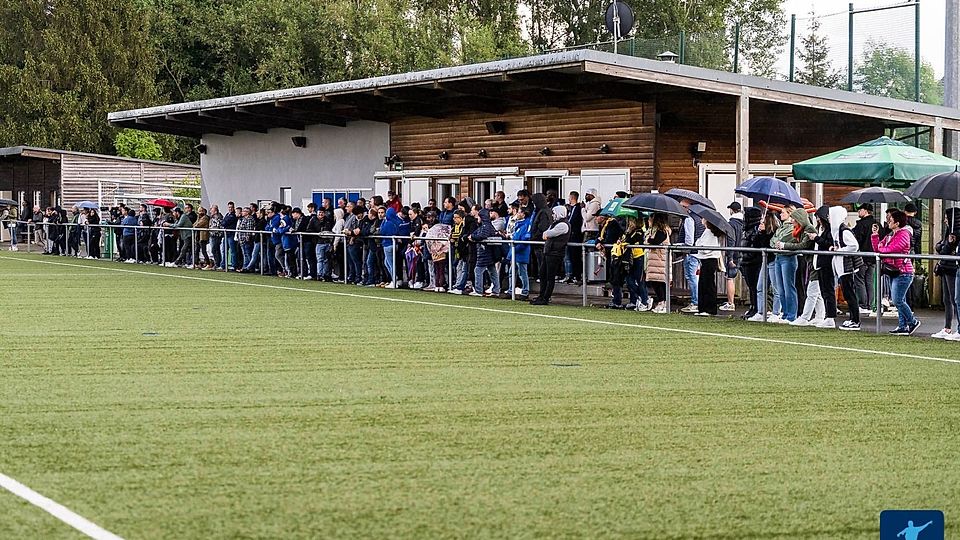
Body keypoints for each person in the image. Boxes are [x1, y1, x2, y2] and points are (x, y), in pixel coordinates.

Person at [872, 209, 920, 335]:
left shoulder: (903, 234)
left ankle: (912, 321)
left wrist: (882, 248)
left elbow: (893, 248)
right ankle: (902, 326)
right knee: (900, 300)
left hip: (903, 272)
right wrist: (875, 236)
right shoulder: (890, 235)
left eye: (890, 220)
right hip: (895, 271)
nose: (888, 221)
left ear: (897, 223)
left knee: (897, 300)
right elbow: (878, 248)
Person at [769, 204, 814, 322]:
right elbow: (773, 240)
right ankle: (785, 313)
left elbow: (786, 240)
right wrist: (778, 243)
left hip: (788, 258)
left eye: (783, 212)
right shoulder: (782, 227)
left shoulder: (794, 228)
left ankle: (791, 315)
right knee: (780, 288)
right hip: (778, 257)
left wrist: (781, 244)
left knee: (788, 287)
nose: (780, 214)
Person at [530, 205, 570, 305]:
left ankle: (546, 298)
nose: (552, 215)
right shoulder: (555, 224)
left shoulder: (563, 225)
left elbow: (547, 234)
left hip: (555, 253)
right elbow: (546, 234)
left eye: (554, 213)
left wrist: (547, 234)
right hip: (548, 252)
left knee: (549, 276)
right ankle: (541, 295)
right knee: (543, 274)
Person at [932, 209, 959, 339]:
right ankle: (947, 327)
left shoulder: (955, 233)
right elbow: (941, 248)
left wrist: (946, 245)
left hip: (952, 267)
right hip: (946, 266)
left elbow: (944, 249)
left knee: (954, 299)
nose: (944, 221)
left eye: (946, 218)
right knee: (947, 299)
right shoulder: (949, 231)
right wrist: (944, 245)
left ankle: (957, 328)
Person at [693, 217, 725, 316]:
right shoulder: (708, 232)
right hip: (707, 260)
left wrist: (698, 244)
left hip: (709, 259)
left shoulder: (709, 232)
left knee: (707, 284)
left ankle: (709, 309)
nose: (702, 219)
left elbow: (705, 248)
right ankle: (703, 308)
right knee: (704, 284)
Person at [677, 197, 705, 313]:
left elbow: (689, 240)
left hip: (691, 253)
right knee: (695, 278)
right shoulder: (699, 218)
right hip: (698, 252)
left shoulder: (689, 219)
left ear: (686, 207)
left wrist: (679, 245)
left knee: (692, 277)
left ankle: (695, 302)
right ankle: (697, 301)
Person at [596, 212, 625, 308]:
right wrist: (598, 242)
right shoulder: (603, 226)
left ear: (602, 217)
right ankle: (616, 300)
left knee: (617, 278)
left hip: (617, 255)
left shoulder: (612, 224)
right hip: (611, 255)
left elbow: (609, 239)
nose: (595, 219)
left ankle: (618, 301)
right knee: (613, 277)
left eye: (597, 216)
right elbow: (598, 237)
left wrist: (601, 242)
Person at [852, 204, 877, 314]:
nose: (858, 211)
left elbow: (856, 240)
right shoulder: (877, 224)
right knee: (869, 281)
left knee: (859, 280)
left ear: (865, 211)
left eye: (860, 209)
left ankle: (862, 305)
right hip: (873, 257)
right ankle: (870, 305)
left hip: (862, 256)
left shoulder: (861, 225)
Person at [739, 207, 764, 319]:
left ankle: (756, 308)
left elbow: (755, 243)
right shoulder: (747, 228)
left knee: (754, 286)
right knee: (751, 286)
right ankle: (753, 306)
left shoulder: (756, 229)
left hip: (753, 261)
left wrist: (758, 234)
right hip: (746, 260)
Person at [644, 213, 671, 313]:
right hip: (655, 259)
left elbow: (654, 241)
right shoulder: (653, 230)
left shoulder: (662, 231)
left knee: (659, 281)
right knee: (655, 281)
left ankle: (663, 303)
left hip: (659, 259)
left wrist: (648, 239)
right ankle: (661, 302)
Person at [469, 208, 500, 297]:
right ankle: (496, 290)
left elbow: (482, 235)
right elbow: (476, 233)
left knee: (478, 270)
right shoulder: (485, 226)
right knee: (492, 271)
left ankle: (479, 290)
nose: (477, 218)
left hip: (485, 252)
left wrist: (473, 237)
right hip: (487, 252)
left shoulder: (486, 226)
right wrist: (473, 236)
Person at [720, 202, 744, 312]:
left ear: (732, 210)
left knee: (730, 279)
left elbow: (731, 241)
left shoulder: (731, 224)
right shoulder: (744, 223)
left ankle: (731, 303)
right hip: (744, 253)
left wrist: (730, 258)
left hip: (734, 254)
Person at [564, 191, 584, 284]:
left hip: (575, 235)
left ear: (572, 197)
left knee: (575, 256)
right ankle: (571, 275)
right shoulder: (571, 208)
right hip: (571, 235)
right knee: (570, 256)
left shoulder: (576, 208)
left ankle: (577, 276)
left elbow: (571, 221)